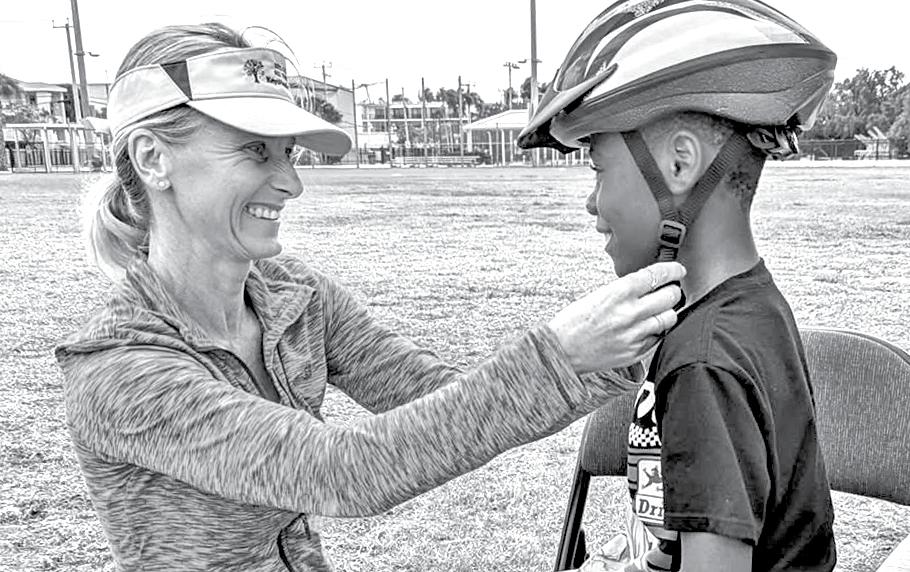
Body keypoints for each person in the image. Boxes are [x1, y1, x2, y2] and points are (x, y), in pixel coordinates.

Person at [54, 23, 685, 571]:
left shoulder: (290, 295)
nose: (291, 182)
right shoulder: (118, 367)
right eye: (254, 150)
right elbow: (342, 471)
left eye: (288, 153)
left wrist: (618, 354)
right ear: (152, 158)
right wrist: (561, 355)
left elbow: (434, 395)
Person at [518, 1, 838, 571]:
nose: (591, 202)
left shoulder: (704, 363)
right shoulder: (747, 306)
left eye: (597, 168)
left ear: (680, 164)